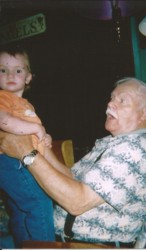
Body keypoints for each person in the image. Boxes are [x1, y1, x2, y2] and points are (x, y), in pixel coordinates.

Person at [0, 77, 146, 248]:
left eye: (122, 100)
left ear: (144, 114)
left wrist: (27, 153)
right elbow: (71, 177)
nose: (110, 104)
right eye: (112, 98)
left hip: (86, 246)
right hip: (56, 239)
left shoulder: (137, 149)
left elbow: (77, 203)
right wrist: (38, 143)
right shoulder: (112, 144)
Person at [0, 46, 56, 248]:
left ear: (29, 77)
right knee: (38, 203)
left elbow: (29, 130)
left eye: (18, 70)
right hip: (8, 159)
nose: (10, 75)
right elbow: (4, 121)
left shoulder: (24, 104)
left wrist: (43, 135)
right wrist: (36, 128)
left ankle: (24, 244)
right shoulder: (3, 98)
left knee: (20, 208)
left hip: (18, 158)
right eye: (3, 70)